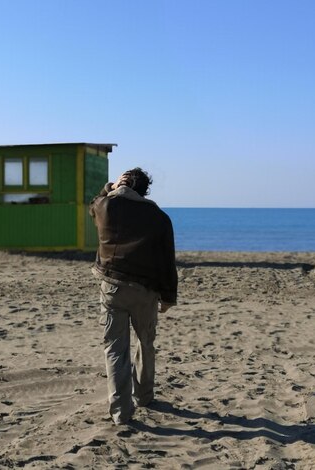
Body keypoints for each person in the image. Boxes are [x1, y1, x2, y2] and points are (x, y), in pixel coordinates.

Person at [89, 168, 178, 425]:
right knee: (145, 342)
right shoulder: (159, 218)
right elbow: (166, 261)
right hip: (145, 290)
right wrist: (168, 297)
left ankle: (121, 412)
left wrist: (110, 187)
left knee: (115, 348)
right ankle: (144, 395)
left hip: (112, 287)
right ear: (145, 189)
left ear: (122, 184)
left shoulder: (106, 206)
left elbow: (93, 205)